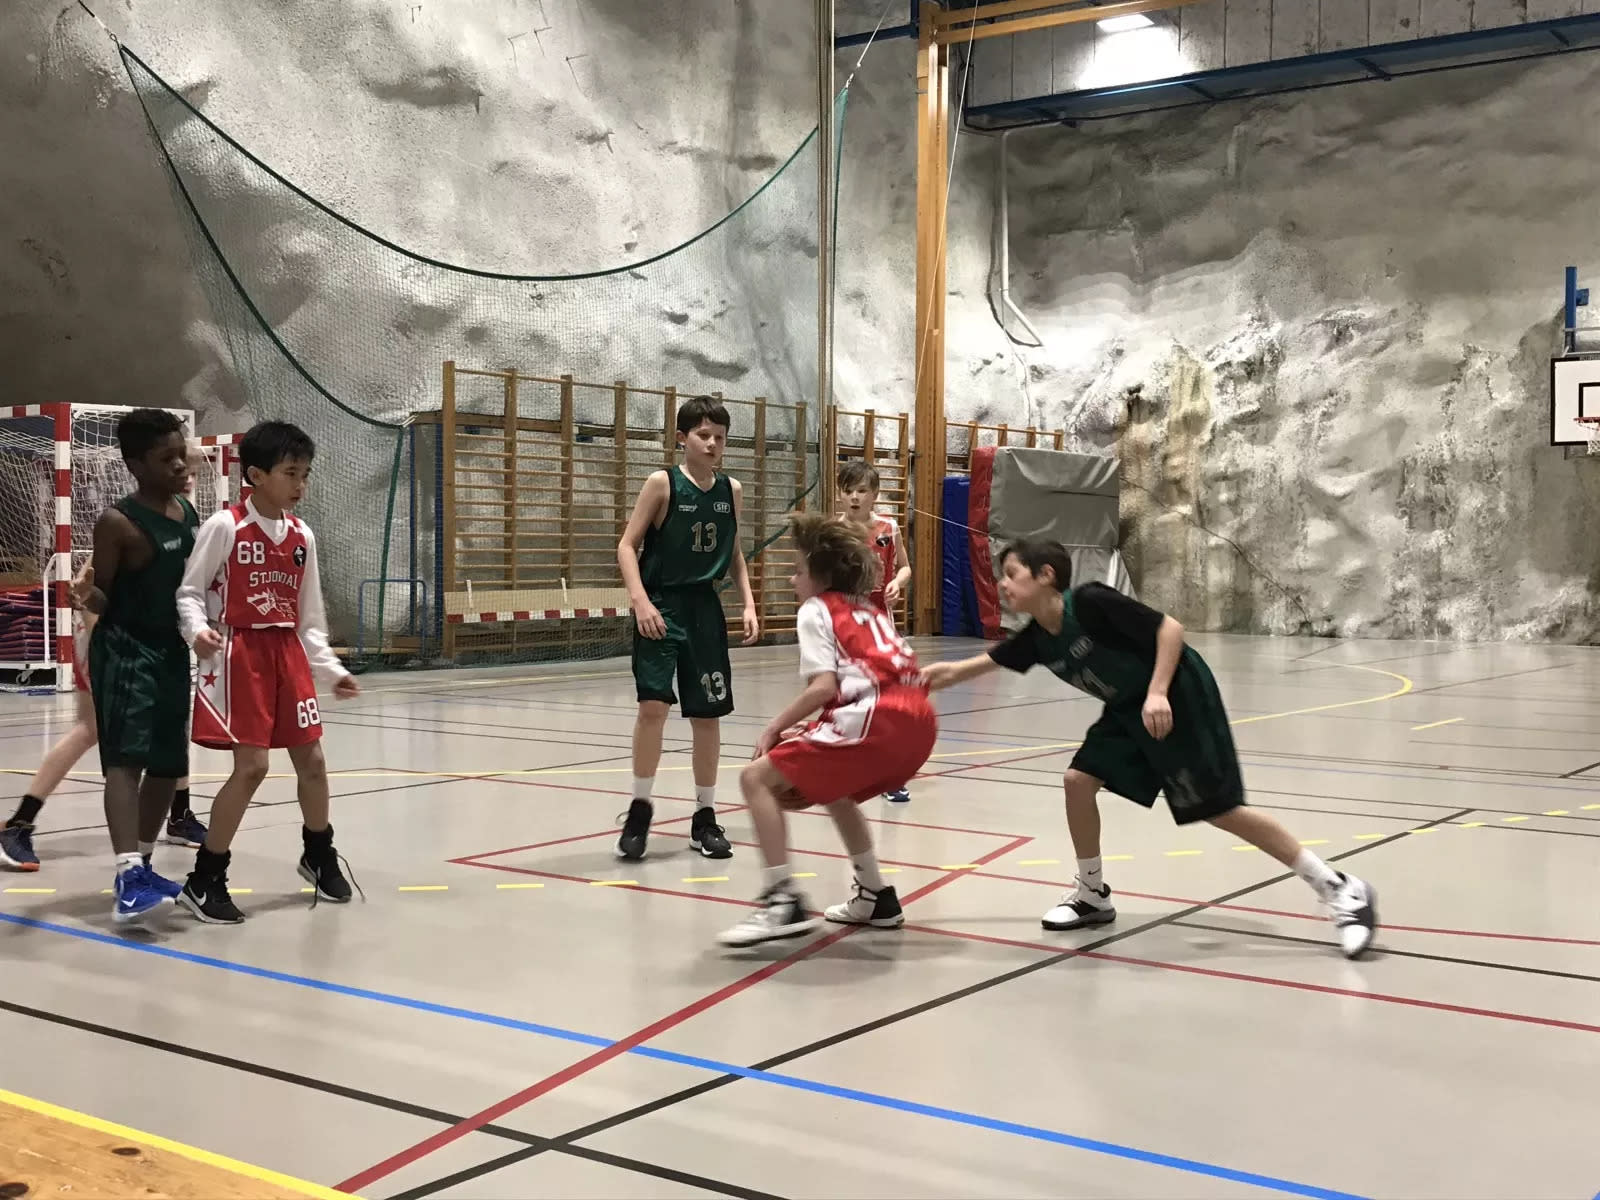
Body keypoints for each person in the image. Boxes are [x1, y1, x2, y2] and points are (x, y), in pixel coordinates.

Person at [921, 538, 1378, 959]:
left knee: (1219, 809)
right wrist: (910, 679)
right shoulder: (1038, 639)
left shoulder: (1091, 602)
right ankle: (1092, 895)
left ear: (1045, 575)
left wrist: (1158, 693)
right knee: (1077, 781)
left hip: (1176, 694)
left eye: (1011, 574)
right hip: (1128, 710)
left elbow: (1170, 629)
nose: (1002, 585)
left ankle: (1339, 887)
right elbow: (960, 670)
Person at [716, 514, 936, 948]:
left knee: (754, 778)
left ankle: (782, 900)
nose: (792, 578)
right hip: (919, 722)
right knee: (836, 791)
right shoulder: (869, 608)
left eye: (798, 570)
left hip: (876, 717)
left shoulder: (816, 609)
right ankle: (875, 895)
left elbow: (824, 686)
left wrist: (774, 727)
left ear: (820, 576)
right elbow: (869, 678)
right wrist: (822, 724)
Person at [175, 421, 360, 924]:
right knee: (252, 767)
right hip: (240, 653)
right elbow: (189, 592)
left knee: (313, 762)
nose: (300, 484)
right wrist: (197, 631)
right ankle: (205, 877)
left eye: (306, 474)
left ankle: (318, 853)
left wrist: (331, 670)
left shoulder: (302, 535)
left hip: (287, 653)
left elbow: (309, 617)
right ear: (256, 475)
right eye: (290, 473)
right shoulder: (225, 526)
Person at [1, 449, 215, 873]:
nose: (187, 478)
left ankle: (179, 813)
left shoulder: (183, 518)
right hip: (106, 642)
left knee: (169, 726)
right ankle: (19, 823)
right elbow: (90, 590)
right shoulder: (129, 522)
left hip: (152, 646)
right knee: (91, 730)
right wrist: (105, 647)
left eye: (192, 472)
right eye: (179, 469)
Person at [68, 409, 199, 921]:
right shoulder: (117, 522)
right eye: (166, 458)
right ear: (135, 464)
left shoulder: (187, 512)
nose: (179, 464)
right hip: (126, 651)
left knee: (169, 762)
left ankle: (143, 864)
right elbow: (102, 595)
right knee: (126, 761)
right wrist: (85, 594)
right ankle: (126, 874)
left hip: (172, 650)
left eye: (181, 454)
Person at [615, 395, 758, 862]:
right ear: (682, 438)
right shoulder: (663, 483)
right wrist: (639, 600)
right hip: (661, 605)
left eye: (720, 437)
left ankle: (704, 816)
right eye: (703, 435)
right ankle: (640, 810)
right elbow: (627, 545)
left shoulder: (731, 490)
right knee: (653, 706)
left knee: (707, 714)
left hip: (704, 610)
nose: (712, 444)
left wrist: (748, 602)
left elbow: (734, 552)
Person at [837, 459, 913, 803]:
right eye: (848, 490)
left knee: (887, 700)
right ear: (840, 495)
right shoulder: (833, 533)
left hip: (880, 625)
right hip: (845, 626)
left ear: (875, 494)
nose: (854, 497)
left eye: (861, 491)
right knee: (849, 700)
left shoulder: (888, 527)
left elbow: (905, 567)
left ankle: (889, 775)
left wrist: (898, 582)